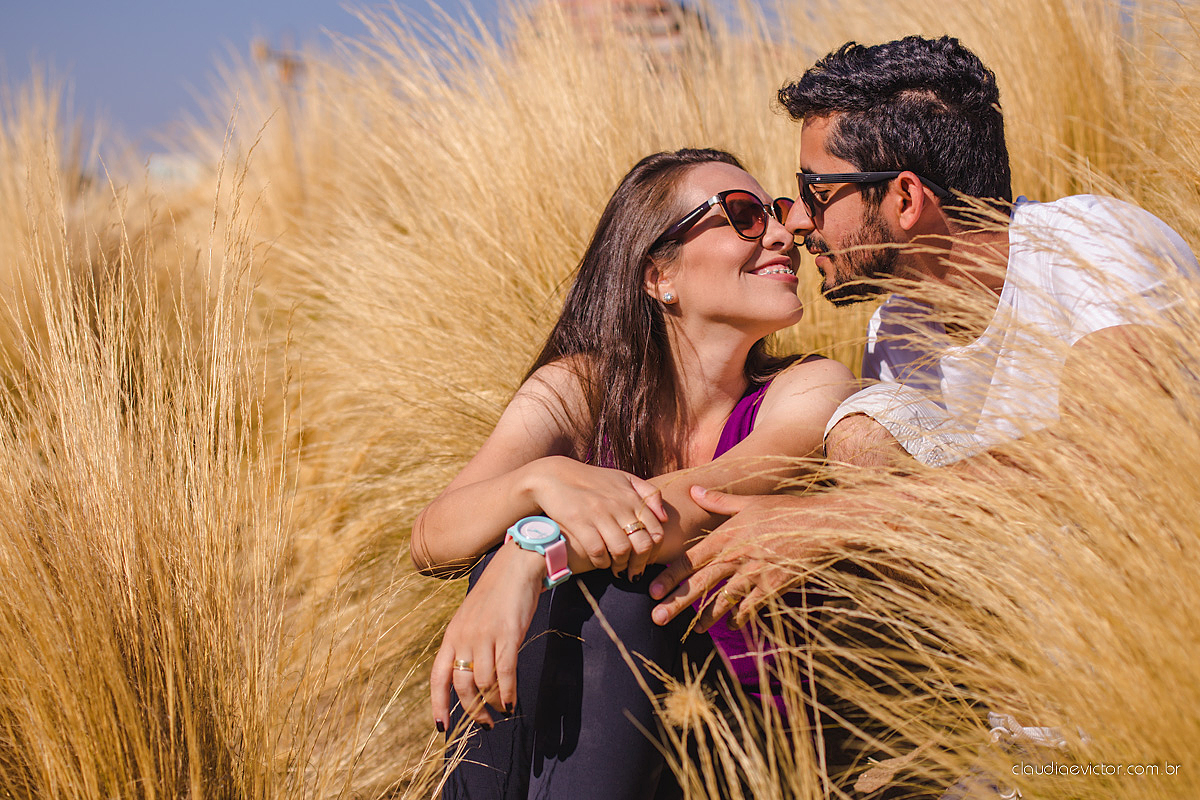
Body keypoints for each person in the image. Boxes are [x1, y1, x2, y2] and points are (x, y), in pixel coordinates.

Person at [646, 35, 1200, 795]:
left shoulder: (1096, 245)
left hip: (1169, 668)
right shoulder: (896, 330)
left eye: (816, 192)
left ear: (904, 199)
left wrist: (826, 526)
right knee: (863, 427)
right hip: (1021, 685)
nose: (797, 223)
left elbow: (1107, 454)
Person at [411, 148, 854, 799]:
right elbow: (431, 536)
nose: (785, 234)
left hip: (747, 748)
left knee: (619, 588)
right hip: (599, 743)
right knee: (527, 568)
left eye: (779, 214)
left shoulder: (811, 389)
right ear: (658, 274)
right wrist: (536, 482)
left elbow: (699, 499)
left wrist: (530, 553)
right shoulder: (580, 387)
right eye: (743, 216)